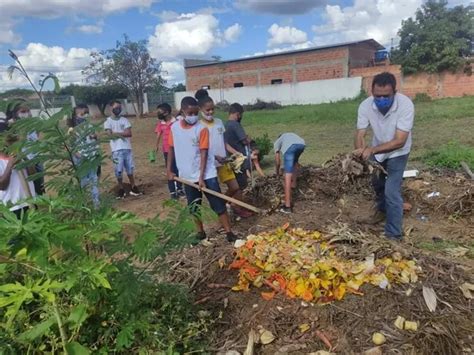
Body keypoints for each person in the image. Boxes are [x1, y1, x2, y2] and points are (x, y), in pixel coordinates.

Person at [353, 72, 414, 241]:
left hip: (398, 152)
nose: (381, 100)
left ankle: (393, 234)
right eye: (377, 96)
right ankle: (382, 211)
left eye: (385, 96)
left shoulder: (405, 105)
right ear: (372, 92)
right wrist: (360, 152)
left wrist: (372, 150)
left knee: (391, 191)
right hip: (377, 151)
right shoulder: (365, 106)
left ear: (394, 91)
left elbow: (400, 141)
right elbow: (360, 133)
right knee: (377, 183)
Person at [167, 96, 237, 242]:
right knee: (194, 206)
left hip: (207, 173)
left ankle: (229, 232)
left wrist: (201, 178)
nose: (193, 116)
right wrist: (169, 170)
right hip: (186, 175)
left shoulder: (201, 129)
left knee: (217, 203)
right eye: (190, 113)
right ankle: (200, 232)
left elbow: (204, 153)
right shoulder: (174, 129)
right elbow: (171, 149)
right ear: (182, 111)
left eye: (195, 113)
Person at [197, 95, 252, 218]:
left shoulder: (219, 123)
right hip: (209, 165)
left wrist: (236, 153)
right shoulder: (199, 126)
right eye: (207, 110)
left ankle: (235, 207)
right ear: (200, 109)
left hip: (224, 162)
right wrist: (214, 156)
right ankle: (221, 211)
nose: (210, 112)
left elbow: (224, 143)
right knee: (214, 192)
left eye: (212, 109)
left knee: (235, 187)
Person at [6, 100, 45, 195]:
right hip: (23, 159)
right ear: (14, 114)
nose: (27, 114)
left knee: (39, 183)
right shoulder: (11, 127)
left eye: (28, 111)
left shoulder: (33, 124)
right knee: (28, 185)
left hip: (36, 157)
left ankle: (40, 195)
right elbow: (12, 144)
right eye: (23, 112)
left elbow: (37, 137)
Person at [104, 100, 140, 199]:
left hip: (127, 148)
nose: (118, 109)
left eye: (119, 107)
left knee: (130, 169)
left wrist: (116, 133)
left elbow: (129, 133)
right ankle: (121, 188)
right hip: (116, 150)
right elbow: (109, 135)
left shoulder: (124, 120)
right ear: (111, 108)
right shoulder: (108, 122)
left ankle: (133, 187)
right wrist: (121, 133)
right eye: (116, 107)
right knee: (118, 171)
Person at [68, 104, 100, 207]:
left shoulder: (89, 126)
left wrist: (95, 137)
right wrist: (78, 155)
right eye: (82, 114)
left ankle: (96, 203)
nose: (85, 115)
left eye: (86, 113)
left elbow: (95, 139)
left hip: (91, 157)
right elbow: (71, 146)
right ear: (75, 116)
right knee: (83, 180)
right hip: (80, 158)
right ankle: (81, 201)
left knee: (94, 179)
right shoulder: (71, 130)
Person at [0, 134, 36, 219]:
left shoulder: (19, 156)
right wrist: (10, 165)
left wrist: (25, 158)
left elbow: (33, 174)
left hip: (30, 203)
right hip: (12, 208)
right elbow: (2, 186)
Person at [155, 103, 184, 199]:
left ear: (167, 112)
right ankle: (172, 191)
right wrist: (156, 145)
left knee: (178, 169)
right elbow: (159, 134)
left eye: (160, 112)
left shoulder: (177, 121)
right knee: (170, 170)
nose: (158, 114)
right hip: (166, 150)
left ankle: (179, 188)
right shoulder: (161, 123)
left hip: (178, 149)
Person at [274, 133, 305, 214]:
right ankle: (294, 185)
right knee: (294, 163)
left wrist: (277, 173)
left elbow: (277, 162)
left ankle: (287, 207)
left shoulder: (277, 142)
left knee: (287, 176)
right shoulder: (288, 135)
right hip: (302, 144)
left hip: (291, 147)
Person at [224, 103, 251, 190]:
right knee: (242, 185)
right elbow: (244, 140)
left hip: (230, 158)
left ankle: (231, 203)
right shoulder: (236, 125)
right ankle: (233, 203)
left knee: (234, 185)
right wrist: (248, 139)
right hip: (239, 159)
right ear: (238, 114)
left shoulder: (225, 125)